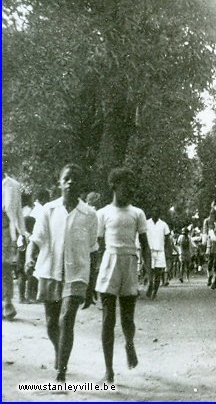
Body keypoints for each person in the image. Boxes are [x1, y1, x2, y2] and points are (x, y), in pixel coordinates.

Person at [25, 164, 98, 382]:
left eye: (75, 179)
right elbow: (35, 241)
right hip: (49, 271)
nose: (70, 182)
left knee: (66, 319)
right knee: (51, 322)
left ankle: (61, 371)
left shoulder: (89, 214)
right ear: (60, 182)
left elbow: (94, 250)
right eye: (66, 178)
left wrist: (92, 282)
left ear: (80, 184)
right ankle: (59, 352)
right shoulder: (48, 210)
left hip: (77, 274)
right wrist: (29, 258)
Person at [94, 168, 150, 383]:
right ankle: (109, 370)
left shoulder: (137, 213)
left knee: (128, 319)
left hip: (129, 264)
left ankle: (129, 343)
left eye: (132, 185)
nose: (130, 189)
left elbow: (144, 245)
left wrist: (149, 269)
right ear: (114, 185)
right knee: (108, 320)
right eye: (126, 184)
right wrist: (94, 275)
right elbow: (97, 247)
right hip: (109, 265)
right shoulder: (103, 213)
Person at [3, 172, 29, 320]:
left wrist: (22, 232)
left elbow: (17, 211)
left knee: (5, 266)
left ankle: (7, 303)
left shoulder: (13, 185)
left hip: (6, 230)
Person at [146, 210, 171, 299]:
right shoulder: (146, 223)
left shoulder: (163, 224)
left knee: (158, 272)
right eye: (154, 212)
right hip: (150, 251)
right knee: (150, 271)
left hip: (160, 251)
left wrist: (168, 252)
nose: (155, 214)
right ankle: (150, 284)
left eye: (157, 212)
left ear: (159, 214)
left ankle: (155, 292)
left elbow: (168, 238)